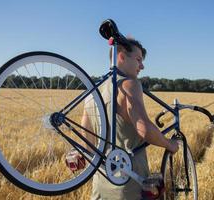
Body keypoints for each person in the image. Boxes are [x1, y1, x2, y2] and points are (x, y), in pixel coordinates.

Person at [68, 38, 178, 200]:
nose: (142, 66)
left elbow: (87, 143)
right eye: (138, 60)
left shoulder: (93, 92)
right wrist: (170, 145)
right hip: (130, 187)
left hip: (100, 187)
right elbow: (144, 128)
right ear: (121, 57)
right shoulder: (129, 85)